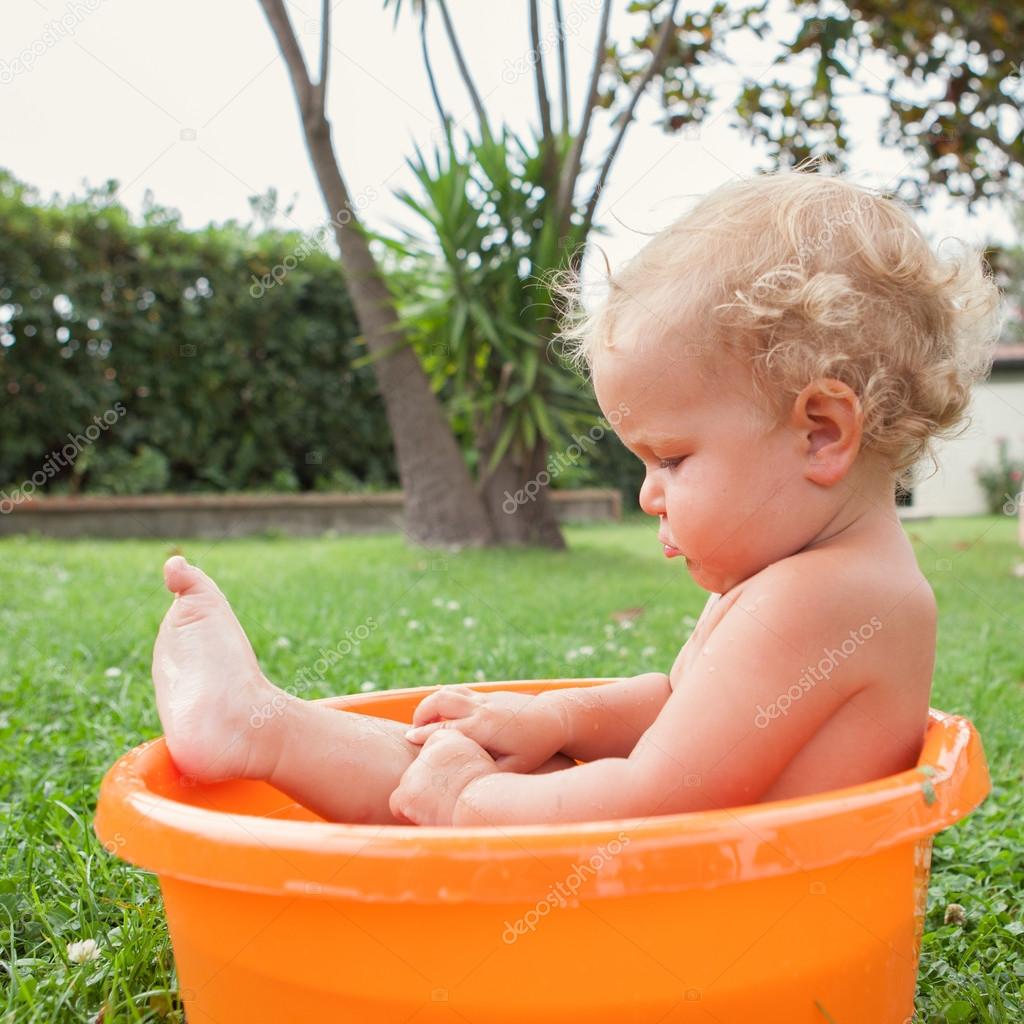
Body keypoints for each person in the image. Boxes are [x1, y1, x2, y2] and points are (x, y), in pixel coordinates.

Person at [151, 170, 1003, 828]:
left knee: (475, 796)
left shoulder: (825, 599)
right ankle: (263, 725)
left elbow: (650, 803)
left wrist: (467, 809)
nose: (647, 495)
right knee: (487, 767)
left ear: (821, 430)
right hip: (704, 882)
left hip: (708, 927)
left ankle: (264, 729)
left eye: (670, 457)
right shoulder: (824, 577)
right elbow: (678, 706)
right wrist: (554, 717)